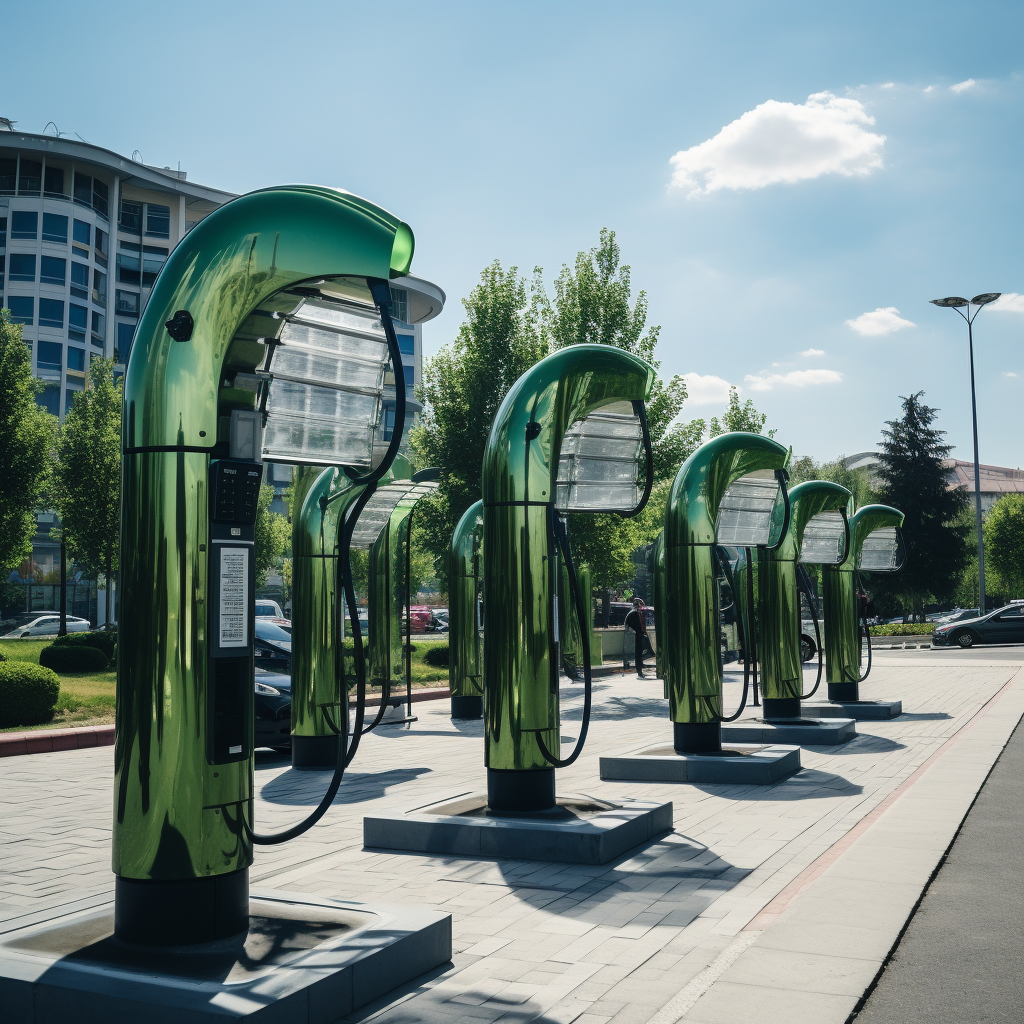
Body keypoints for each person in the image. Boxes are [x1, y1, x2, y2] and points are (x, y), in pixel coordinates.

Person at [623, 597, 649, 679]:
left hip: (636, 635)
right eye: (641, 605)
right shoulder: (634, 613)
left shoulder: (634, 613)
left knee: (639, 653)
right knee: (637, 654)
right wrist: (641, 632)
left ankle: (640, 667)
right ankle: (639, 670)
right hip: (635, 636)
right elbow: (636, 625)